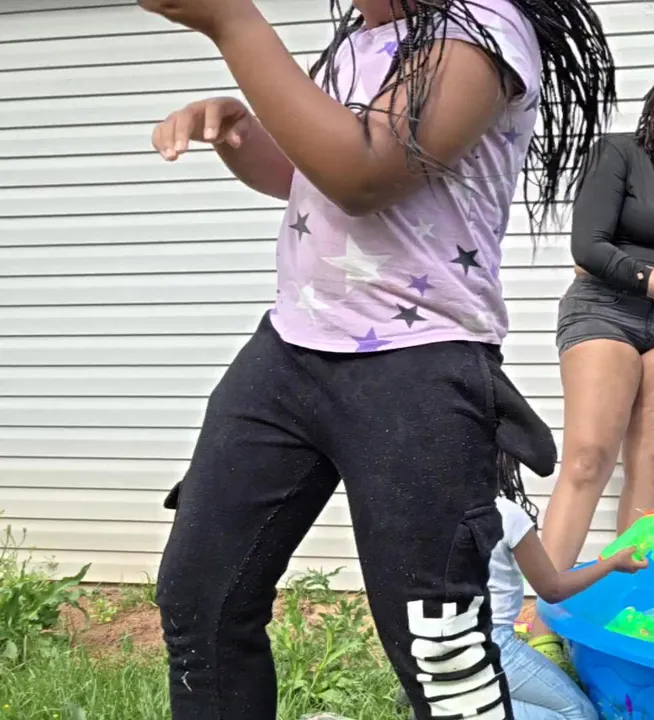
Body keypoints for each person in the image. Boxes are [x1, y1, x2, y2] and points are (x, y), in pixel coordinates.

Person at [137, 0, 616, 717]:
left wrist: (234, 23)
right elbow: (312, 172)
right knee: (200, 600)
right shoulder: (359, 42)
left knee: (439, 649)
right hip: (290, 349)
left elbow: (365, 172)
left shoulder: (481, 28)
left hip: (418, 368)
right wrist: (243, 135)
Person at [526, 62, 654, 670]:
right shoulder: (616, 153)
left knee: (651, 470)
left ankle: (627, 615)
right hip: (602, 311)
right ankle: (539, 620)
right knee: (588, 461)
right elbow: (588, 248)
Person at [482, 462, 647, 720]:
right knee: (580, 714)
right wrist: (612, 563)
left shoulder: (423, 512)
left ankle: (450, 702)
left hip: (426, 641)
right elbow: (553, 590)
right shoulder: (504, 513)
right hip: (490, 643)